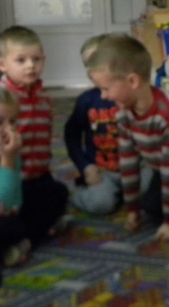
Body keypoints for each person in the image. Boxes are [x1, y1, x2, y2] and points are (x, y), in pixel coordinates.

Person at [86, 34, 169, 242]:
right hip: (165, 163)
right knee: (150, 208)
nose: (103, 96)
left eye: (105, 89)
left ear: (132, 81)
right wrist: (133, 209)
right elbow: (128, 162)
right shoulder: (123, 111)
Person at [65, 35, 153, 215]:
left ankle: (125, 193)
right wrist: (86, 167)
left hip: (138, 166)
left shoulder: (136, 95)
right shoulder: (86, 101)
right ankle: (83, 193)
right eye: (89, 65)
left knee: (151, 197)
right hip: (103, 170)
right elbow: (71, 135)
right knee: (101, 204)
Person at [0, 26, 69, 247]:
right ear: (2, 64)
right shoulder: (3, 98)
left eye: (36, 59)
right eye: (21, 60)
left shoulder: (43, 96)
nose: (30, 65)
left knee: (58, 194)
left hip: (39, 174)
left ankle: (28, 232)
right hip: (10, 177)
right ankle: (28, 234)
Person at [0, 88, 27, 268]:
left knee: (54, 192)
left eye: (13, 121)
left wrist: (8, 158)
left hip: (8, 215)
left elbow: (10, 200)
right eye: (0, 122)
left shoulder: (10, 152)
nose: (9, 129)